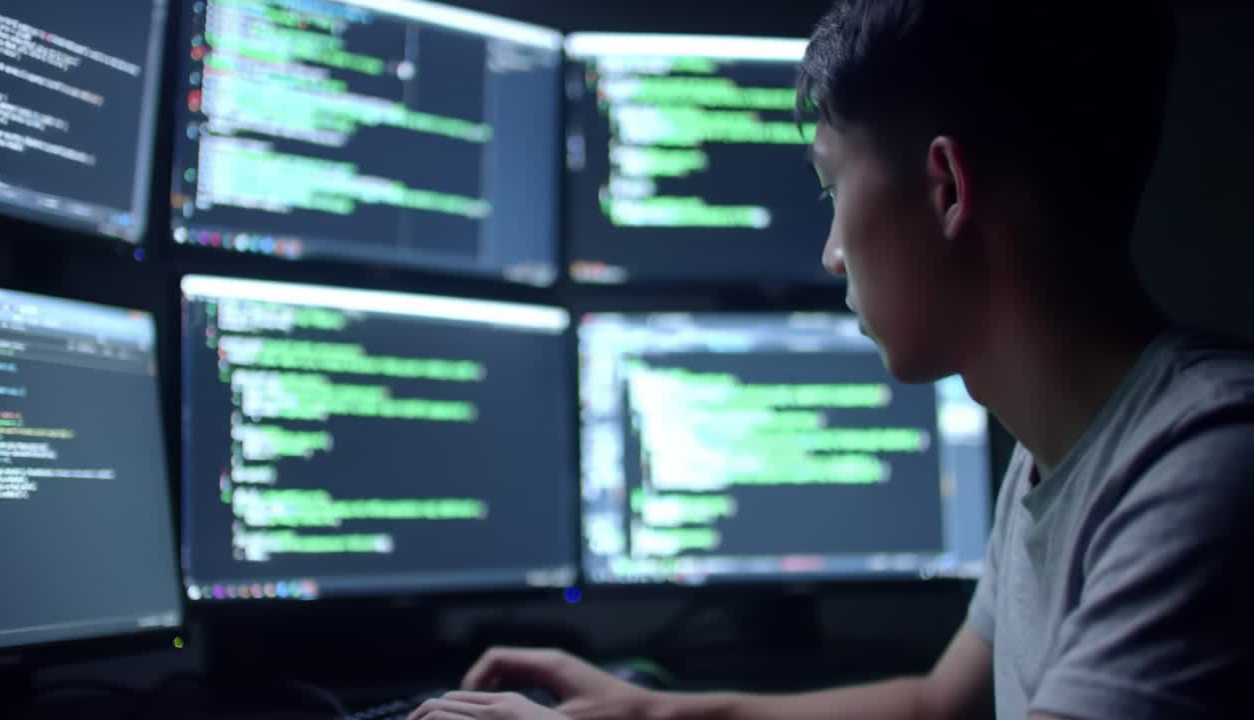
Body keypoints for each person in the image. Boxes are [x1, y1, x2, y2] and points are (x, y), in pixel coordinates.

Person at [410, 1, 1254, 718]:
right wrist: (651, 710)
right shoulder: (1059, 449)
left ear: (946, 189)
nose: (830, 254)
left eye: (830, 188)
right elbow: (933, 705)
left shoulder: (1206, 470)